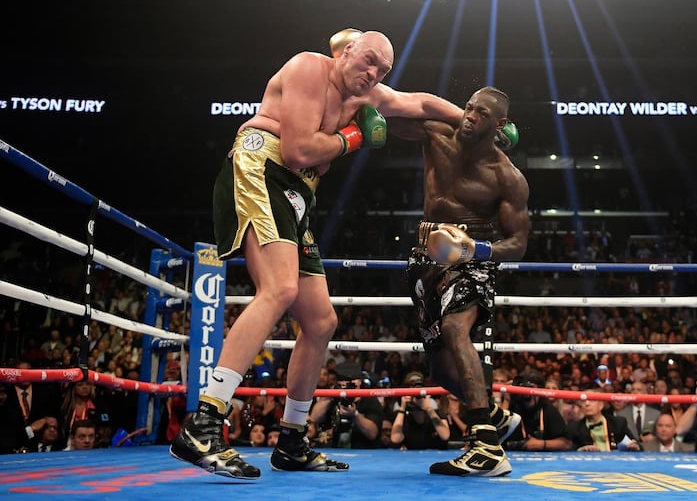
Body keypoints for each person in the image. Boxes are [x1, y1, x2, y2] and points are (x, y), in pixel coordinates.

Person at [169, 29, 463, 479]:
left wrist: (474, 121)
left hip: (299, 192)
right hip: (260, 166)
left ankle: (291, 439)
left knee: (321, 321)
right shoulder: (309, 67)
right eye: (367, 61)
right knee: (280, 289)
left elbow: (420, 103)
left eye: (382, 70)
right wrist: (353, 138)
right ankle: (205, 422)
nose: (372, 74)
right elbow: (298, 148)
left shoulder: (367, 96)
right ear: (346, 52)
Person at [390, 86, 530, 476]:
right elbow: (391, 115)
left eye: (481, 113)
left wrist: (474, 251)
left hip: (473, 256)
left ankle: (485, 444)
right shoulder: (437, 135)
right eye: (469, 108)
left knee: (456, 326)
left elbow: (518, 242)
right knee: (441, 372)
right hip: (424, 255)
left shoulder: (507, 176)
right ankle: (495, 416)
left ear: (500, 125)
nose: (470, 116)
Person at [565, 392, 641, 452]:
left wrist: (634, 446)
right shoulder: (574, 428)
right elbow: (568, 451)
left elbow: (637, 445)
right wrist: (582, 450)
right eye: (583, 401)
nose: (587, 404)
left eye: (591, 400)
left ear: (601, 405)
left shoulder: (617, 423)